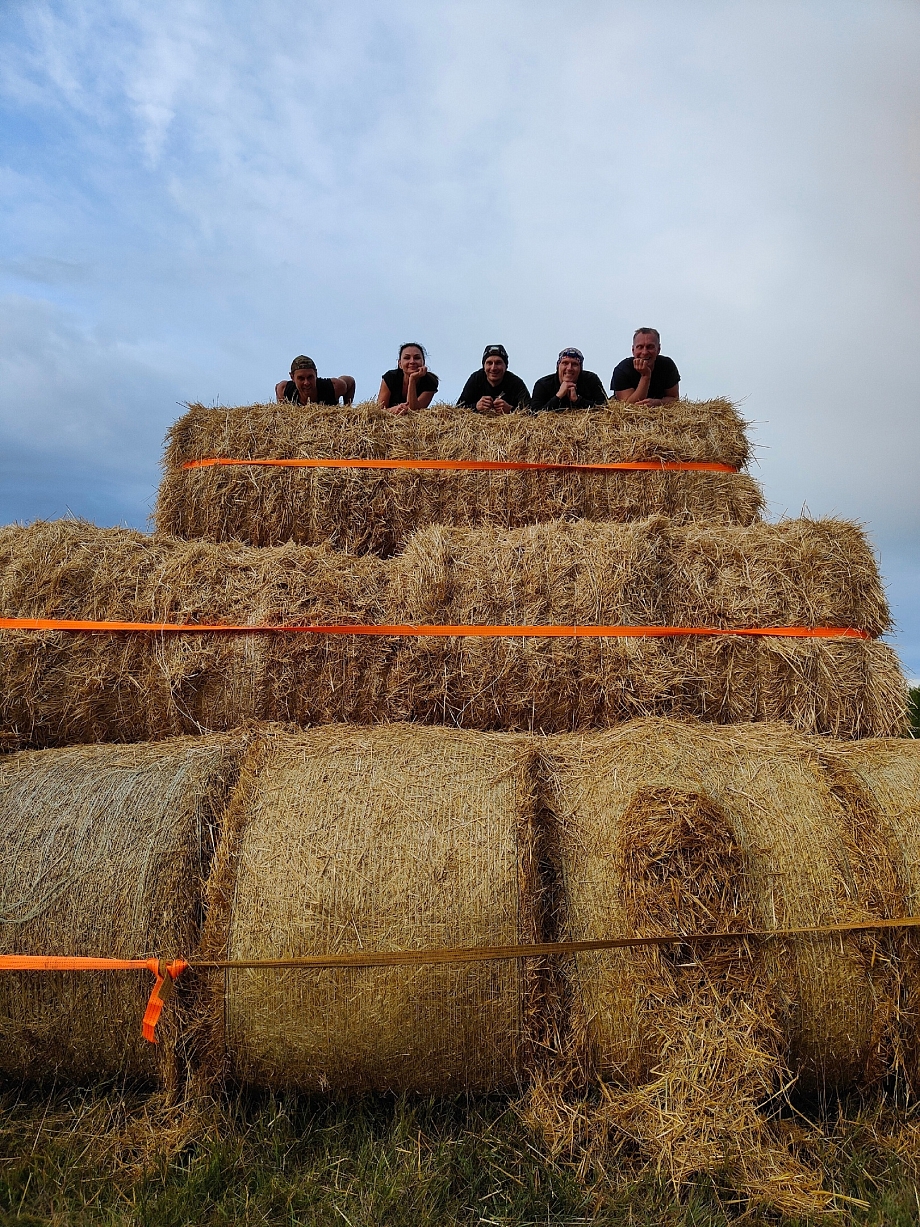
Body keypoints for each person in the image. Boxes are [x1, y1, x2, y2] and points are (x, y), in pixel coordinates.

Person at [611, 328, 680, 405]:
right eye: (640, 347)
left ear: (658, 349)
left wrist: (658, 403)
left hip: (662, 414)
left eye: (650, 347)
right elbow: (629, 407)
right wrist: (645, 376)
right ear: (633, 350)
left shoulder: (667, 366)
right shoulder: (622, 370)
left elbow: (674, 398)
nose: (644, 352)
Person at [457, 344, 531, 414]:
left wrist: (510, 410)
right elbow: (458, 410)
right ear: (484, 367)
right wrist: (476, 407)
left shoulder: (515, 383)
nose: (493, 368)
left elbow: (530, 411)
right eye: (489, 363)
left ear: (506, 367)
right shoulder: (476, 379)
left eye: (498, 363)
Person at [530, 348, 608, 413]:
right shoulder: (543, 384)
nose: (569, 368)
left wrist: (577, 400)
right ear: (558, 366)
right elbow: (534, 413)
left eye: (574, 364)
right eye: (565, 363)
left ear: (580, 369)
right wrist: (558, 396)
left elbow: (605, 408)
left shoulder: (591, 380)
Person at [377, 343, 439, 414]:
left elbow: (414, 411)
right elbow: (379, 411)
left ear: (423, 362)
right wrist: (393, 410)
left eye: (417, 358)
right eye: (407, 358)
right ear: (400, 364)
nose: (412, 361)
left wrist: (412, 379)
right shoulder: (390, 377)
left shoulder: (430, 381)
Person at [275, 356, 355, 406]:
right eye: (301, 378)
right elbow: (277, 387)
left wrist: (347, 408)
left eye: (310, 377)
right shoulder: (285, 391)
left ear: (316, 374)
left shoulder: (332, 387)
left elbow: (350, 381)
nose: (306, 383)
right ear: (292, 377)